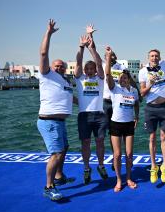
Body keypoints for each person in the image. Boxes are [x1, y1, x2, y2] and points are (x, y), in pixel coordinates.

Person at [138, 21, 165, 184]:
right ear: (148, 58)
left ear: (159, 58)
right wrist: (151, 84)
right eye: (152, 56)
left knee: (163, 137)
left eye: (157, 56)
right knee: (152, 138)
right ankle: (154, 166)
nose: (155, 58)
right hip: (150, 108)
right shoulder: (142, 72)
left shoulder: (163, 65)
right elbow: (142, 93)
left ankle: (164, 165)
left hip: (164, 107)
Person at [37, 19, 74, 201]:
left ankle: (59, 177)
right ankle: (48, 186)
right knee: (56, 153)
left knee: (64, 148)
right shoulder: (47, 75)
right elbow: (44, 53)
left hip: (60, 121)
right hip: (48, 121)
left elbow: (72, 99)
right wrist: (49, 33)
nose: (59, 67)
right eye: (56, 65)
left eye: (62, 66)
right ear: (52, 67)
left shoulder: (65, 81)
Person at [74, 25, 108, 184]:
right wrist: (81, 47)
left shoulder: (100, 79)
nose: (88, 70)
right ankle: (87, 168)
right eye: (87, 68)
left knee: (100, 142)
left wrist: (91, 48)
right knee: (86, 143)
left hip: (100, 115)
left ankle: (101, 165)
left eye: (91, 68)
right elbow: (78, 62)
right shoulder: (80, 78)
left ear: (95, 69)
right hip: (84, 116)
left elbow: (100, 63)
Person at [105, 46, 139, 192]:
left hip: (129, 125)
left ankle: (129, 178)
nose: (123, 79)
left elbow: (137, 104)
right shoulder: (115, 89)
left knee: (129, 154)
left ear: (129, 79)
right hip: (116, 124)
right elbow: (107, 74)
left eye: (125, 77)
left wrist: (136, 116)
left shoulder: (134, 91)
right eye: (121, 78)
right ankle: (119, 180)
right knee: (117, 154)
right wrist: (108, 57)